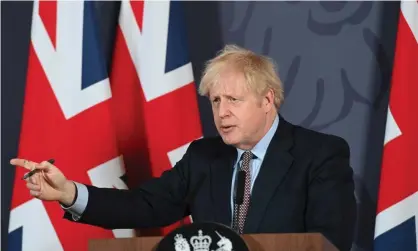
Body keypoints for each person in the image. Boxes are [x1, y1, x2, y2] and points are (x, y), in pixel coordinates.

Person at [11, 44, 356, 251]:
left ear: (268, 101)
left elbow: (330, 241)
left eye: (233, 100)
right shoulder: (203, 157)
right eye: (215, 100)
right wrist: (70, 193)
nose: (222, 113)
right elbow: (143, 206)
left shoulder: (321, 155)